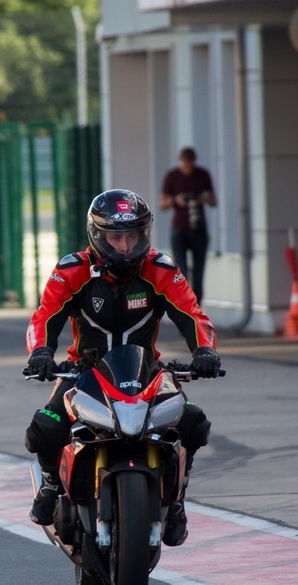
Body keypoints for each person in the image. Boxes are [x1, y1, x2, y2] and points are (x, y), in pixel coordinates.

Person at [24, 189, 222, 546]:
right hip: (83, 371)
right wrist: (40, 353)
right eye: (116, 238)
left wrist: (205, 351)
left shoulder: (161, 268)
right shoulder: (72, 269)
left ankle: (176, 499)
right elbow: (45, 315)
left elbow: (192, 314)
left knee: (193, 421)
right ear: (97, 235)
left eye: (133, 236)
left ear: (145, 233)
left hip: (148, 372)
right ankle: (52, 483)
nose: (126, 247)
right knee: (46, 427)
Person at [158, 146, 216, 292]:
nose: (187, 167)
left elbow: (213, 201)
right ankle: (184, 300)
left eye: (190, 163)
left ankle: (197, 302)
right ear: (180, 161)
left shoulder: (202, 175)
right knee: (181, 271)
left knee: (198, 273)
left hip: (198, 227)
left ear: (194, 162)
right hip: (179, 227)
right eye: (184, 163)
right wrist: (176, 200)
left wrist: (203, 198)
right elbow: (162, 204)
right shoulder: (172, 176)